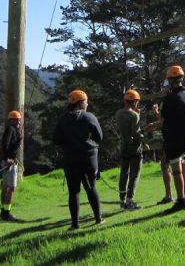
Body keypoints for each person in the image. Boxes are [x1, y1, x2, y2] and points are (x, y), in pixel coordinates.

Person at [53, 89, 104, 229]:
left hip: (70, 159)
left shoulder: (63, 119)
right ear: (81, 103)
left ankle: (75, 224)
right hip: (89, 158)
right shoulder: (89, 117)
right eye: (86, 102)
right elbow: (100, 136)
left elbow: (56, 140)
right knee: (91, 188)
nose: (87, 104)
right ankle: (98, 218)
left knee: (74, 192)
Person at [159, 65, 185, 213]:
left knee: (176, 170)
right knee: (183, 166)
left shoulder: (170, 98)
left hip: (174, 137)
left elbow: (163, 119)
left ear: (170, 80)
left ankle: (181, 202)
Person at [115, 89, 144, 209]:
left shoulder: (119, 113)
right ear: (134, 101)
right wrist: (143, 136)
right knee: (134, 174)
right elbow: (135, 133)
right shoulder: (134, 115)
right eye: (137, 101)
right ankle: (129, 200)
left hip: (123, 146)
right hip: (134, 148)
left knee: (123, 173)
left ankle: (122, 200)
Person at [0, 110, 23, 221]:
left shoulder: (11, 130)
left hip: (7, 160)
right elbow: (5, 145)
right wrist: (8, 158)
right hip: (9, 162)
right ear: (13, 121)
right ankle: (6, 212)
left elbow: (7, 146)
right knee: (11, 187)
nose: (19, 121)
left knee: (5, 187)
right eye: (17, 119)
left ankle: (3, 211)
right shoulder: (11, 130)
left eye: (19, 119)